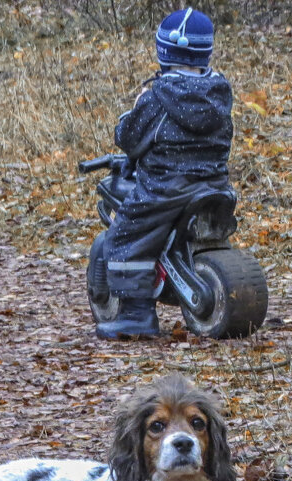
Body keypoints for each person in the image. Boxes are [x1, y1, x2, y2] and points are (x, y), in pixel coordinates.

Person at [94, 7, 234, 339]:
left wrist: (136, 106)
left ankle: (136, 314)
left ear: (163, 52)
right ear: (206, 52)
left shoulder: (157, 97)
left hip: (166, 187)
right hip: (214, 182)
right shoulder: (219, 93)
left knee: (126, 235)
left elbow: (129, 139)